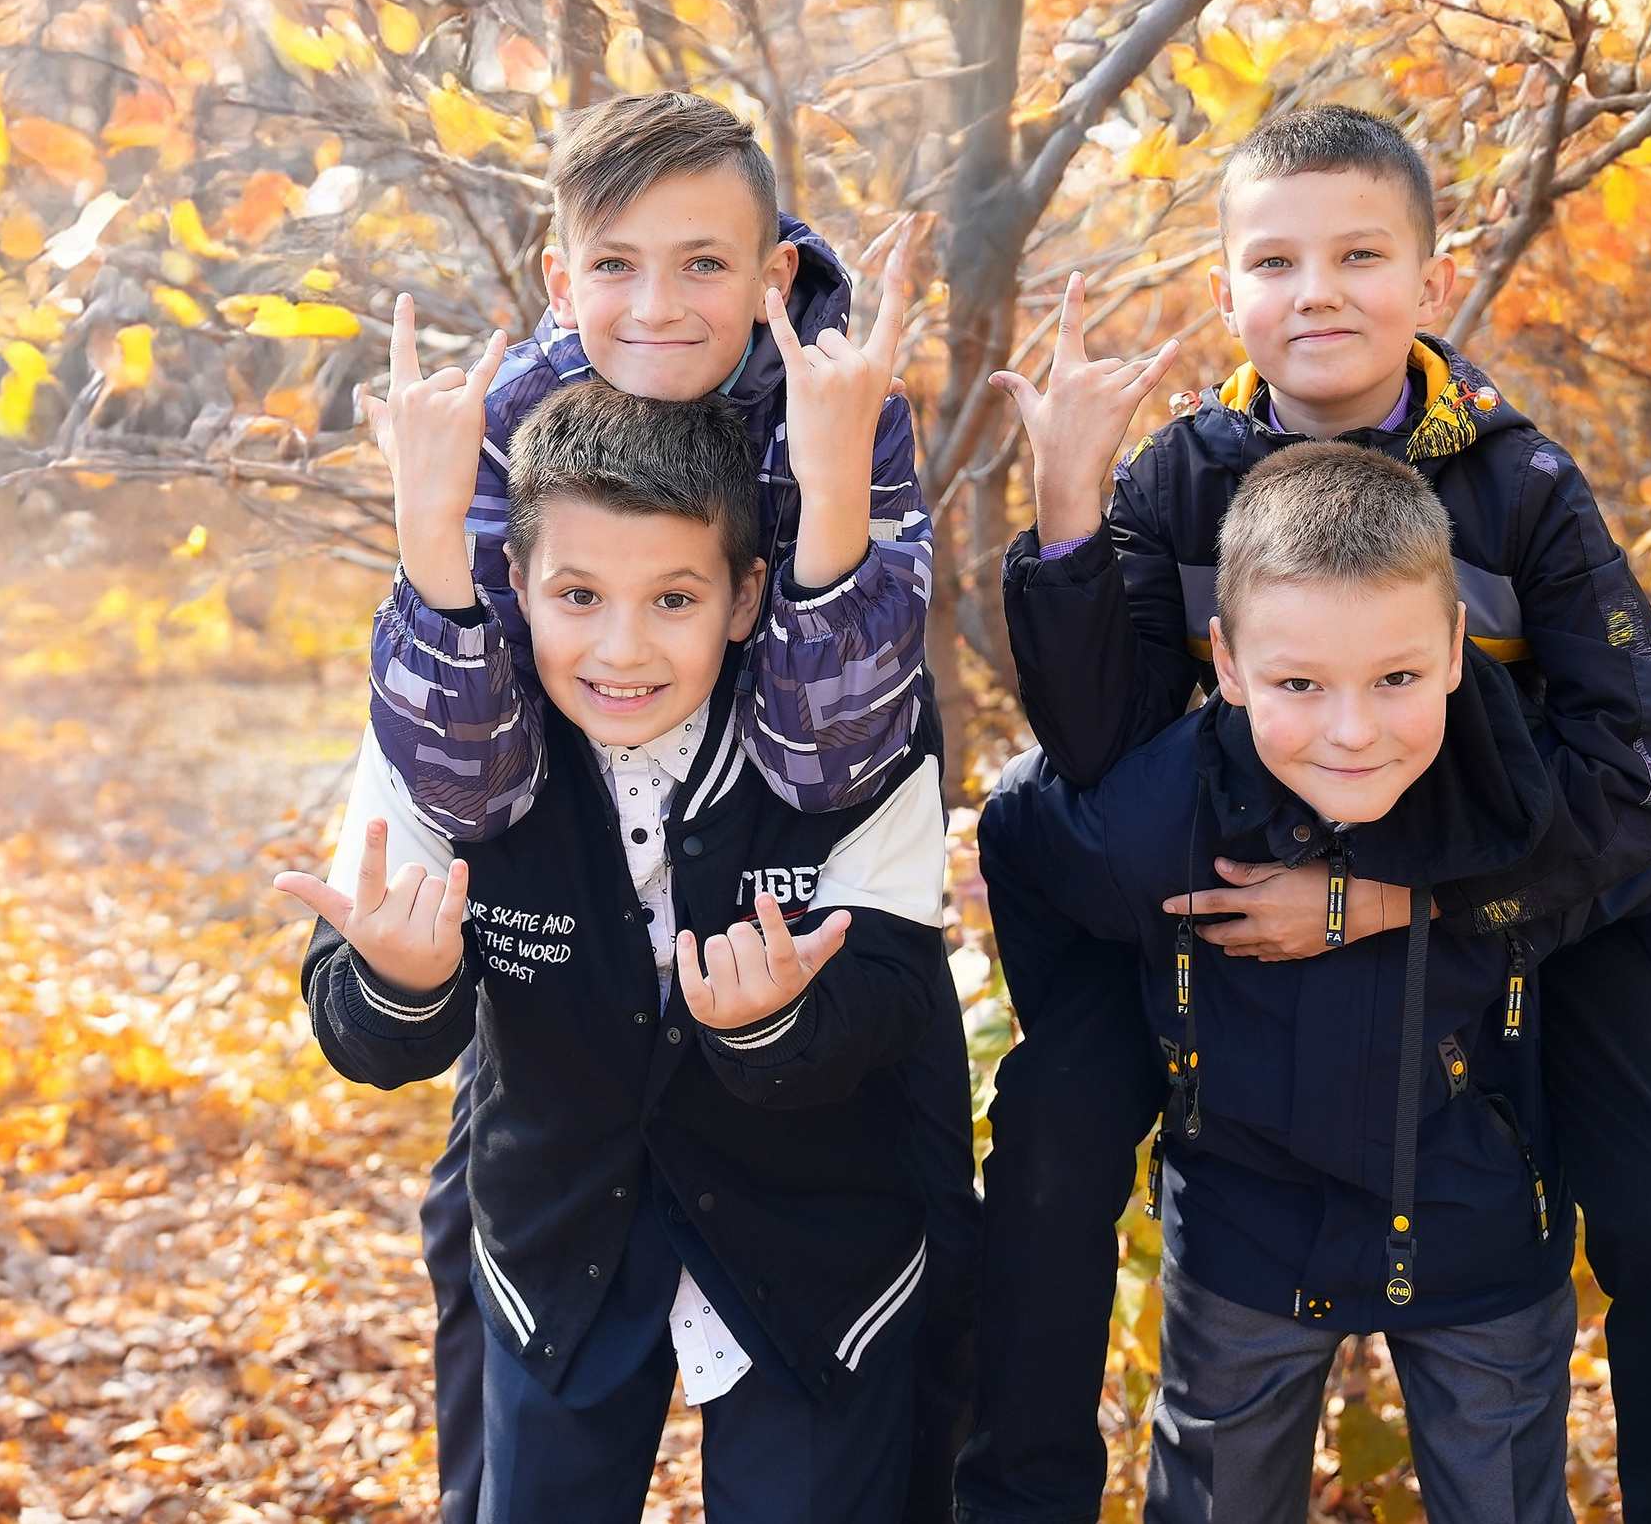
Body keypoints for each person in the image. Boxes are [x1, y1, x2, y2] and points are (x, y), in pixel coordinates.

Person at [960, 105, 1651, 1524]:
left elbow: (1639, 775)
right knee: (1054, 1134)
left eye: (1360, 254)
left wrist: (1408, 904)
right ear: (1229, 291)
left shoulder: (1523, 487)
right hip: (1257, 867)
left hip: (1536, 885)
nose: (1316, 289)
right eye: (1276, 260)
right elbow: (1097, 744)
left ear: (1429, 281)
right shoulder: (1182, 474)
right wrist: (1067, 499)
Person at [363, 92, 975, 1522]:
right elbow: (481, 754)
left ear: (769, 273)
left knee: (882, 1354)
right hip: (578, 964)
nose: (659, 305)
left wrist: (828, 498)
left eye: (706, 263)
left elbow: (835, 757)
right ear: (559, 273)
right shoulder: (513, 419)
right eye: (618, 263)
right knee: (503, 1286)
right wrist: (434, 557)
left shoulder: (838, 399)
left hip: (793, 912)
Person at [283, 384, 951, 1524]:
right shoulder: (445, 728)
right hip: (558, 1232)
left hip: (811, 1237)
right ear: (518, 590)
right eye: (578, 596)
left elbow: (893, 989)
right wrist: (402, 982)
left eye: (673, 598)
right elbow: (368, 1034)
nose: (623, 647)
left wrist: (775, 1025)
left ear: (745, 597)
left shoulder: (851, 718)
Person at [985, 442, 1575, 1523]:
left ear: (1454, 650)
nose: (1353, 733)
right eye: (1299, 684)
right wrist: (1117, 1036)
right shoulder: (1161, 812)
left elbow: (1634, 858)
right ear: (1231, 663)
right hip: (1245, 1235)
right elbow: (1020, 838)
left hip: (1474, 1217)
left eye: (1395, 678)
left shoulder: (1521, 772)